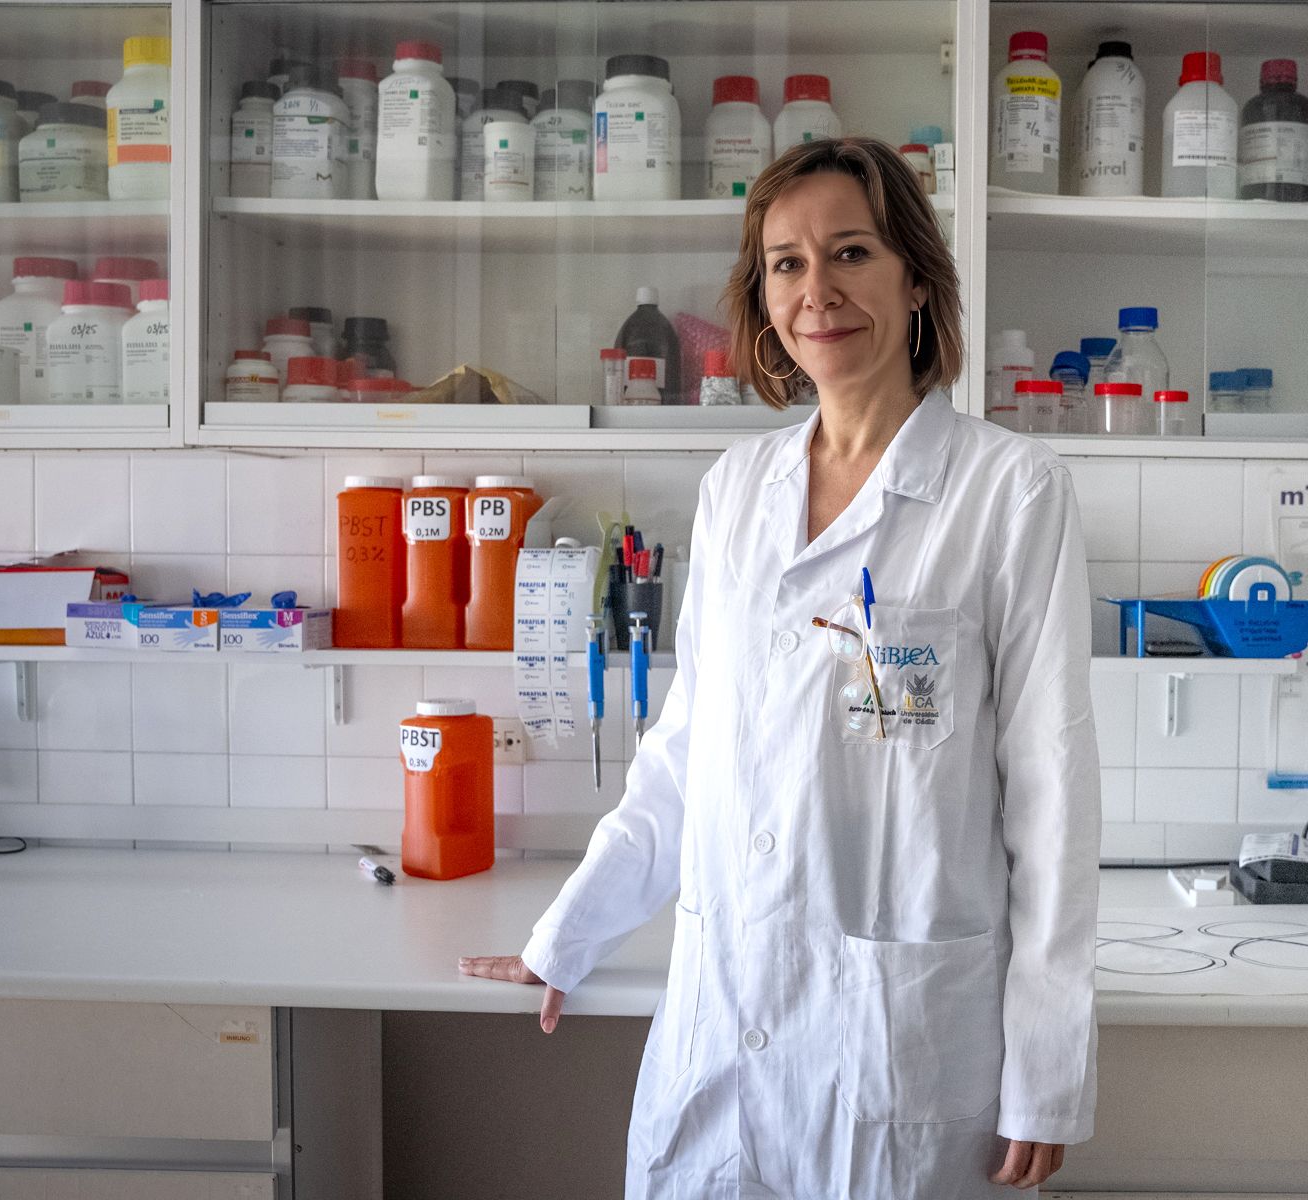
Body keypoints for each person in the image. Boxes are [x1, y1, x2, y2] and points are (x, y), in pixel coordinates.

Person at [459, 136, 1099, 1197]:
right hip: (725, 1015)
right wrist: (566, 934)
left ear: (915, 278)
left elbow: (1053, 796)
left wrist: (1047, 1066)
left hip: (901, 1032)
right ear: (762, 297)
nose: (819, 290)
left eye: (850, 252)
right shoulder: (736, 489)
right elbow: (684, 753)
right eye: (787, 264)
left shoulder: (1011, 490)